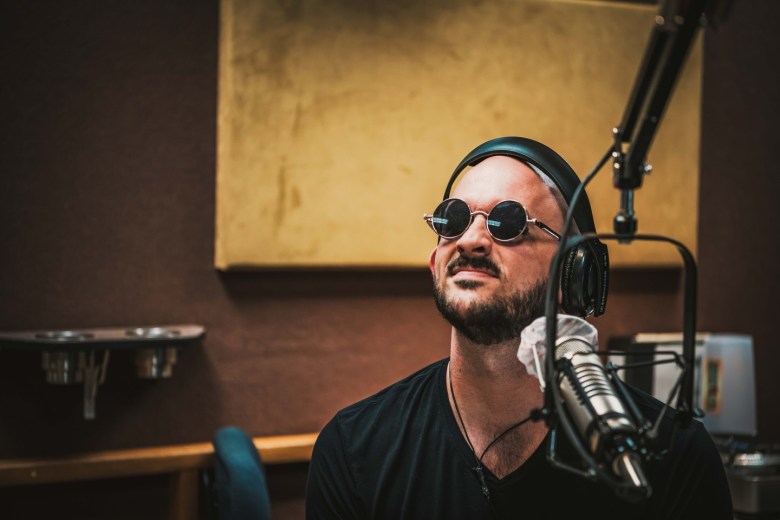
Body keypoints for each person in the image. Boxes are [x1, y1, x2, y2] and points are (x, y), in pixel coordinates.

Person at [305, 137, 733, 519]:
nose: (471, 240)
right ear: (434, 262)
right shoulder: (354, 448)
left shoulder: (672, 458)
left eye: (507, 222)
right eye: (452, 220)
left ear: (572, 274)